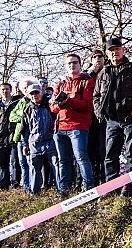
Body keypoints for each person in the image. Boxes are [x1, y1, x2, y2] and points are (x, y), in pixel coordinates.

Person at [93, 38, 132, 197]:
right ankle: (111, 187)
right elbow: (96, 96)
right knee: (110, 155)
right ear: (107, 53)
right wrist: (99, 112)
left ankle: (128, 186)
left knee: (131, 154)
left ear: (123, 50)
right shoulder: (103, 72)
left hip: (131, 118)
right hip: (111, 120)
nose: (115, 52)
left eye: (117, 49)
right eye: (111, 50)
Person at [50, 53, 96, 193]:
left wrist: (68, 101)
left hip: (78, 127)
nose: (72, 65)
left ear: (80, 64)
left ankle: (89, 188)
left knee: (81, 157)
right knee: (63, 160)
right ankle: (64, 190)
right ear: (65, 66)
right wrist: (60, 104)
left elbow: (87, 105)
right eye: (69, 63)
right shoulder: (61, 84)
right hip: (60, 128)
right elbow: (53, 108)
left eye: (75, 62)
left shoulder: (87, 82)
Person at [21, 84, 59, 195]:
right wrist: (25, 145)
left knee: (56, 165)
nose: (34, 95)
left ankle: (60, 190)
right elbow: (25, 129)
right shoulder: (27, 109)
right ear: (28, 95)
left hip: (50, 141)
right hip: (34, 143)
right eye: (32, 94)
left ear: (41, 92)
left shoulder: (49, 105)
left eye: (36, 93)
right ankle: (34, 193)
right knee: (34, 169)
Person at [10, 78, 36, 192]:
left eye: (28, 86)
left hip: (31, 136)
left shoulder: (37, 100)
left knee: (31, 162)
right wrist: (22, 116)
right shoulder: (21, 102)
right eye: (24, 87)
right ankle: (26, 186)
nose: (26, 89)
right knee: (22, 163)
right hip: (20, 136)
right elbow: (12, 116)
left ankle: (33, 186)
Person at [85, 49, 107, 185]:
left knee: (104, 150)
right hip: (89, 117)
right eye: (95, 57)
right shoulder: (86, 75)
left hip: (105, 116)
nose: (98, 59)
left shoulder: (109, 72)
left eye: (100, 56)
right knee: (90, 150)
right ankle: (92, 180)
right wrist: (92, 72)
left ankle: (105, 180)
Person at [0, 83, 19, 189]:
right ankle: (3, 185)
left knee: (14, 161)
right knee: (2, 163)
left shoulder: (16, 102)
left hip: (13, 135)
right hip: (1, 137)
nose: (5, 91)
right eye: (2, 89)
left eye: (7, 89)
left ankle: (14, 184)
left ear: (10, 90)